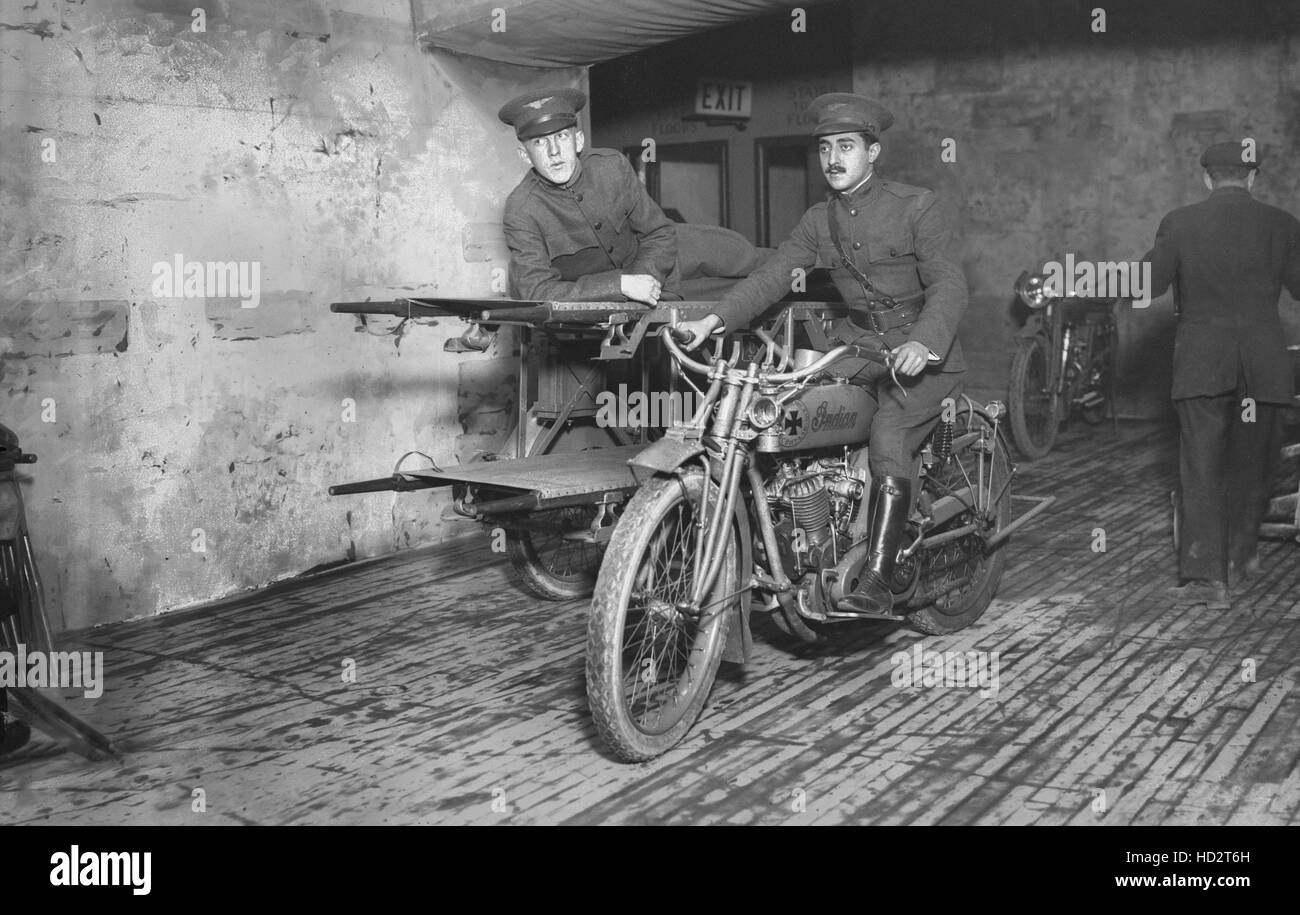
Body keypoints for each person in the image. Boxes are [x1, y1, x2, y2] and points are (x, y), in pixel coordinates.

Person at [675, 92, 969, 618]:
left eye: (847, 147)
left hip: (923, 356)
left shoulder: (915, 206)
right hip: (857, 349)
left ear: (872, 152)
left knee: (890, 432)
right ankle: (814, 532)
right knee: (794, 412)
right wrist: (715, 320)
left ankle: (878, 576)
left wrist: (924, 342)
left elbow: (948, 282)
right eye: (826, 148)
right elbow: (769, 279)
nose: (833, 159)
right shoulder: (819, 221)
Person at [1145, 140, 1300, 610]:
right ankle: (1241, 556)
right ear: (1253, 177)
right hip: (1264, 364)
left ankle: (1206, 579)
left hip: (1201, 364)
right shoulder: (1283, 224)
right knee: (1252, 465)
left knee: (1202, 466)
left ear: (1206, 178)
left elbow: (1148, 284)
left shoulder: (1179, 222)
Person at [498, 88, 676, 305]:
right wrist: (619, 285)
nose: (554, 152)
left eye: (562, 136)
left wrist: (643, 282)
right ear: (525, 156)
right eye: (540, 142)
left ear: (579, 140)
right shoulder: (521, 210)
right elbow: (535, 291)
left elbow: (659, 233)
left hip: (660, 282)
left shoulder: (612, 167)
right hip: (583, 320)